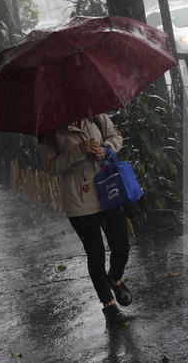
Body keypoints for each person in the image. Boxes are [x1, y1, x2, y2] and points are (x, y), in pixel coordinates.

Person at [38, 114, 134, 325]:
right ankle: (108, 305)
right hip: (78, 200)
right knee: (95, 254)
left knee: (121, 245)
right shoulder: (49, 131)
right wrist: (78, 150)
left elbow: (116, 137)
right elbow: (52, 167)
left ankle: (115, 279)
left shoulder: (96, 115)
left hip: (108, 191)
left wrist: (106, 148)